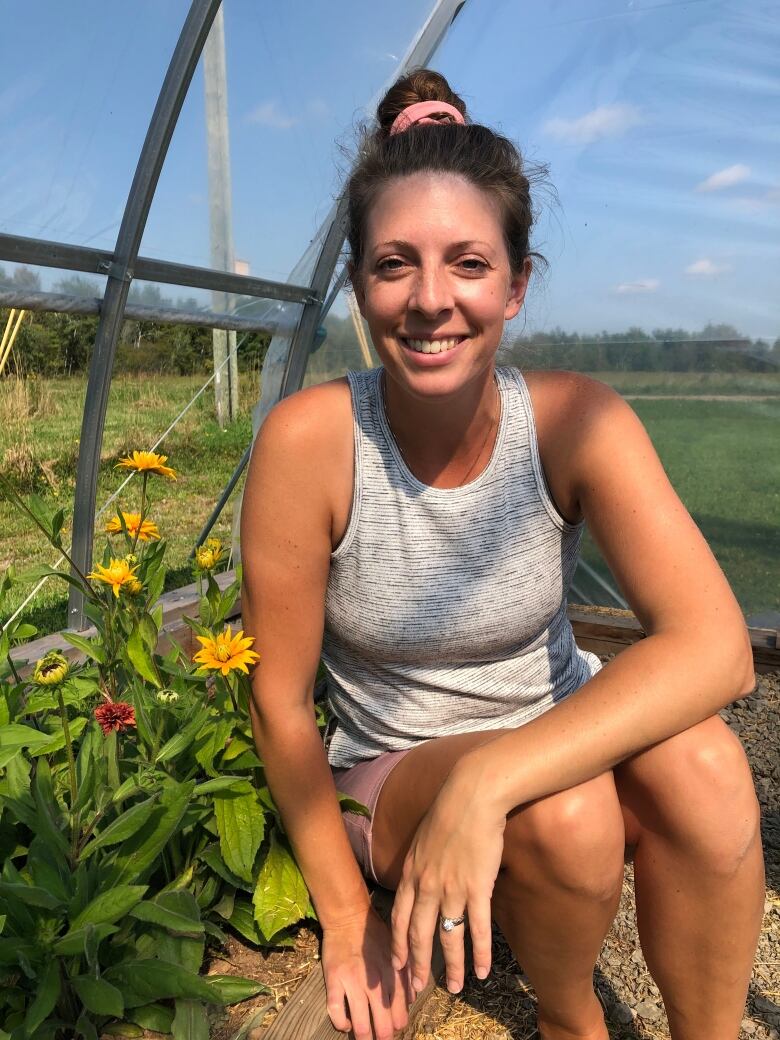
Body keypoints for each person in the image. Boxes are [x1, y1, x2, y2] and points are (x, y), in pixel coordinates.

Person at [240, 69, 763, 1040]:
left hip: (545, 733)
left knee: (712, 768)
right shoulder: (312, 441)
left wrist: (494, 776)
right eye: (395, 263)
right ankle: (571, 1021)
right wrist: (348, 913)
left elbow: (718, 648)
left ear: (516, 284)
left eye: (468, 263)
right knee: (569, 812)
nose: (431, 299)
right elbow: (277, 698)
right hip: (397, 768)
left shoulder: (574, 418)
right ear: (360, 286)